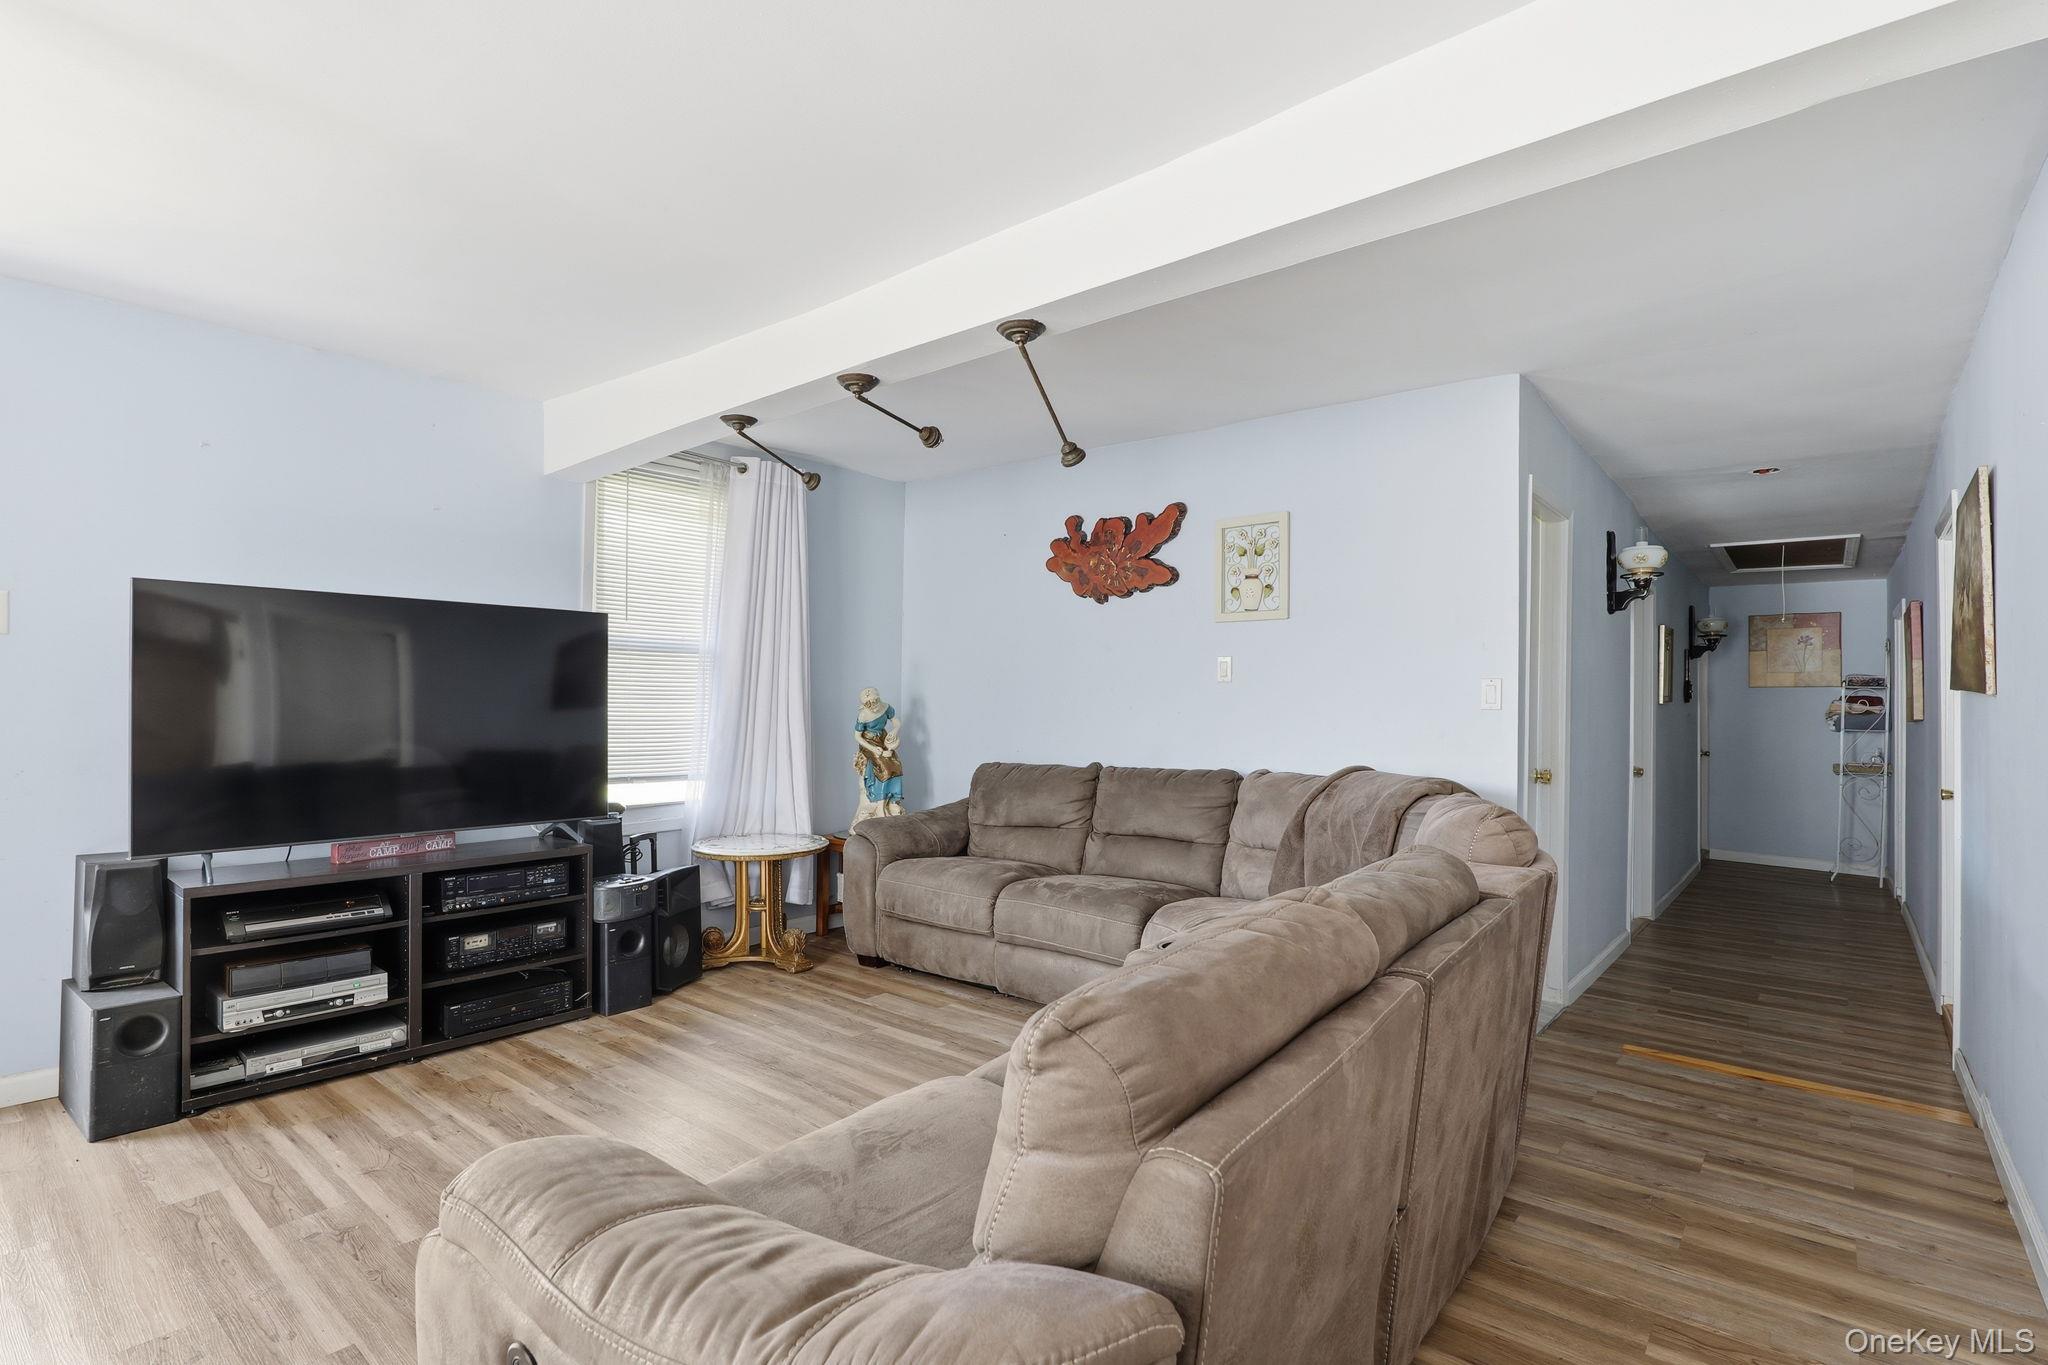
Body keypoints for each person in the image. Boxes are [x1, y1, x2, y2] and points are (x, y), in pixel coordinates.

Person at [852, 687, 904, 826]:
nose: (873, 706)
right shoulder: (863, 715)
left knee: (896, 765)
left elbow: (896, 722)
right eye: (869, 704)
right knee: (884, 768)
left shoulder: (886, 707)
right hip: (868, 743)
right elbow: (857, 736)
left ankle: (893, 801)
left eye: (875, 702)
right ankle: (880, 805)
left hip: (883, 738)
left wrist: (894, 730)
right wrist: (873, 749)